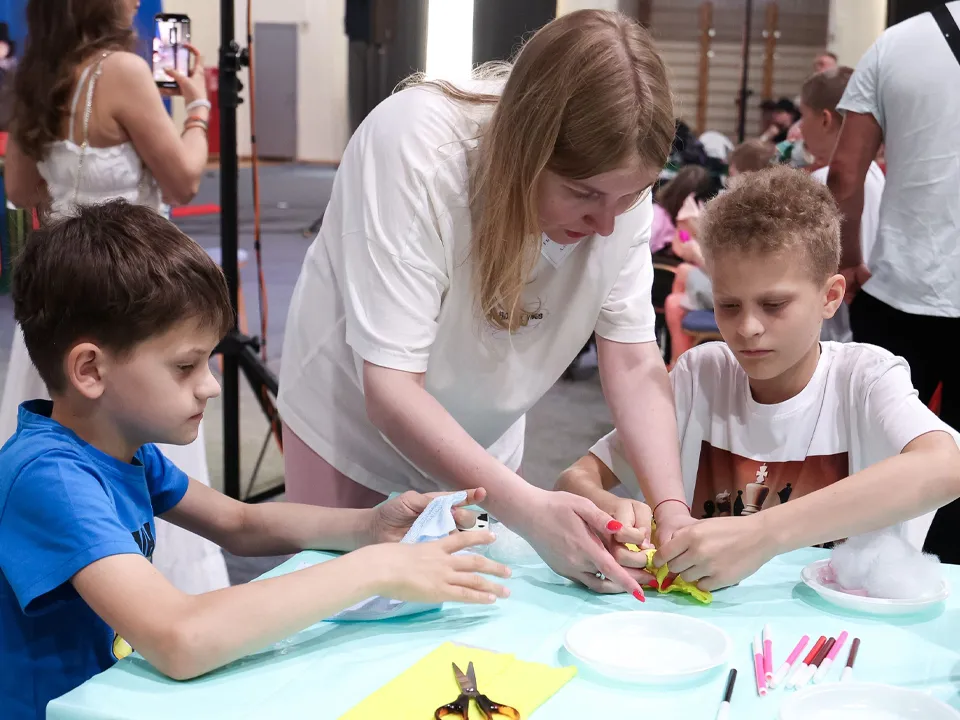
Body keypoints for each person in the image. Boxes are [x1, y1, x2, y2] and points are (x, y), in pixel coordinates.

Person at [0, 202, 511, 720]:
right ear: (90, 370)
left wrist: (371, 527)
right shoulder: (51, 478)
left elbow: (239, 523)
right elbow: (178, 636)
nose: (211, 386)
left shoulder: (118, 449)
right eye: (185, 366)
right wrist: (375, 569)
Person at [278, 9, 691, 597]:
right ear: (525, 150)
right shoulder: (415, 147)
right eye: (583, 194)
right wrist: (530, 511)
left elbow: (632, 359)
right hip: (354, 432)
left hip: (479, 446)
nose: (607, 224)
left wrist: (671, 508)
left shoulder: (616, 190)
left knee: (472, 611)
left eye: (630, 197)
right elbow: (392, 389)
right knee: (346, 610)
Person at [556, 166, 960, 591]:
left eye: (774, 305)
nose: (747, 328)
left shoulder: (864, 380)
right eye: (729, 306)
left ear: (830, 297)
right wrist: (611, 512)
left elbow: (947, 466)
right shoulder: (699, 377)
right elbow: (575, 479)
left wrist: (763, 534)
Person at [0, 0, 224, 593]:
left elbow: (20, 189)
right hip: (136, 303)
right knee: (152, 452)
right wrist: (197, 107)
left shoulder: (36, 79)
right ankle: (155, 598)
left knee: (57, 464)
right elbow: (183, 179)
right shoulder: (121, 71)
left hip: (62, 301)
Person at [826, 3, 960, 562]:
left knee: (873, 454)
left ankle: (853, 575)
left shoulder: (897, 44)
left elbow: (844, 174)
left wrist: (850, 260)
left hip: (900, 288)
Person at [662, 139, 775, 366]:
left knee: (675, 301)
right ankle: (680, 363)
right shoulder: (764, 206)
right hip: (749, 285)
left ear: (744, 173)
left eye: (732, 172)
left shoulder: (742, 210)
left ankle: (679, 366)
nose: (729, 178)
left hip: (746, 290)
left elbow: (734, 271)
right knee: (682, 277)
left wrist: (696, 251)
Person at [798, 66, 885, 343]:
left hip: (832, 329)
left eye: (803, 116)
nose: (800, 127)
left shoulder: (821, 183)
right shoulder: (874, 172)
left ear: (825, 119)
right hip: (866, 318)